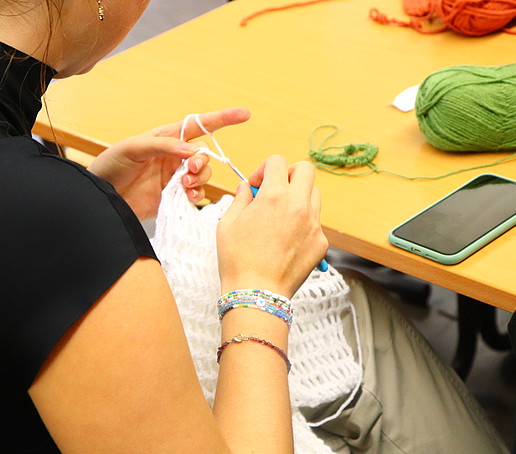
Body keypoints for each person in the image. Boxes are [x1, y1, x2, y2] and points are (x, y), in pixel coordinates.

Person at [0, 1, 509, 453]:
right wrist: (260, 290)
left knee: (354, 300)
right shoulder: (52, 214)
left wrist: (96, 196)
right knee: (344, 305)